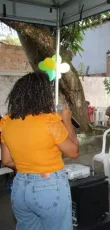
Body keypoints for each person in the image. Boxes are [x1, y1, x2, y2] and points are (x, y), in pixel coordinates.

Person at [0, 72, 79, 229]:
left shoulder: (6, 122)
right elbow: (74, 151)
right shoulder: (49, 121)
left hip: (19, 187)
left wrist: (29, 170)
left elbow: (6, 161)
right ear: (43, 95)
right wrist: (67, 121)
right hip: (49, 186)